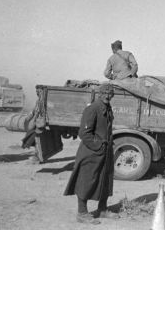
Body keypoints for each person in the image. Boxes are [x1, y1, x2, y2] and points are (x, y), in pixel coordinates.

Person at [63, 83, 118, 225]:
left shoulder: (107, 108)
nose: (107, 95)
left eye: (110, 93)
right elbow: (84, 133)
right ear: (99, 94)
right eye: (104, 93)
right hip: (92, 152)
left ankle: (102, 209)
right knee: (87, 181)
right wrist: (98, 146)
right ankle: (82, 213)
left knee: (106, 180)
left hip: (104, 152)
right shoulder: (92, 109)